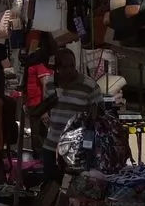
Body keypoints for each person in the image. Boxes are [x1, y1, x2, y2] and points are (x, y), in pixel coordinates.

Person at [42, 48, 102, 185]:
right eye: (64, 67)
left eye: (71, 66)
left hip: (77, 150)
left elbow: (99, 114)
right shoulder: (50, 84)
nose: (69, 70)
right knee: (49, 187)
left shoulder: (89, 86)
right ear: (57, 68)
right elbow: (47, 109)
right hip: (52, 145)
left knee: (74, 188)